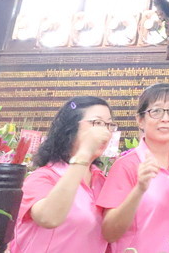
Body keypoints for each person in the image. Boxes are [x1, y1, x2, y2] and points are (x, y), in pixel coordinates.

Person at [12, 97, 115, 253]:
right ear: (71, 127)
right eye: (97, 123)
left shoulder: (102, 181)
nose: (105, 131)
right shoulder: (43, 178)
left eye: (109, 125)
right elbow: (48, 218)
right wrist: (84, 153)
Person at [99, 83, 169, 253]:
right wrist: (139, 189)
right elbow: (109, 232)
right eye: (156, 111)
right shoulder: (126, 166)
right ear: (140, 120)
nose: (166, 118)